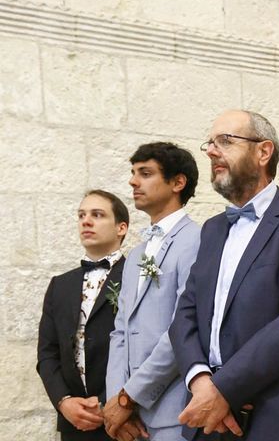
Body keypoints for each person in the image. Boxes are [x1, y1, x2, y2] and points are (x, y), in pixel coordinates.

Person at [168, 109, 279, 440]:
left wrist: (223, 389)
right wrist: (200, 380)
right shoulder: (213, 230)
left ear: (263, 151)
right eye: (210, 144)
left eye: (225, 141)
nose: (212, 151)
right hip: (206, 418)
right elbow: (185, 314)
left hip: (273, 418)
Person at [104, 142, 200, 441]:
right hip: (130, 416)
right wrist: (117, 401)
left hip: (173, 412)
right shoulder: (136, 254)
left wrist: (129, 397)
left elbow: (181, 330)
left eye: (145, 173)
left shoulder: (196, 241)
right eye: (133, 173)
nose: (133, 181)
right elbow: (121, 330)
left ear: (177, 182)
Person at [37, 190, 129, 441]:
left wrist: (112, 402)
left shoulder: (137, 277)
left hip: (125, 418)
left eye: (97, 215)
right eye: (81, 215)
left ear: (121, 227)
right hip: (73, 424)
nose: (86, 221)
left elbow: (146, 346)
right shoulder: (59, 285)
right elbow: (47, 353)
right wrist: (64, 402)